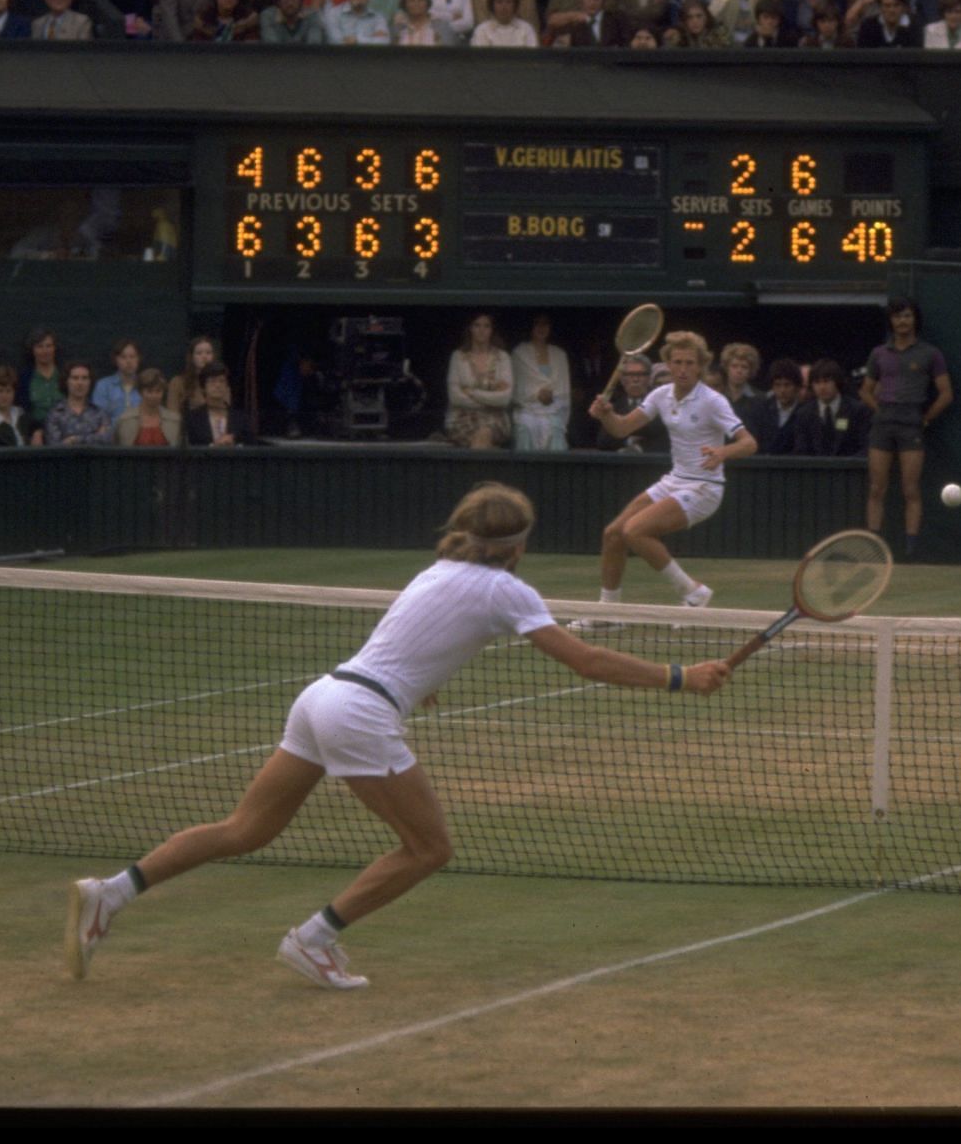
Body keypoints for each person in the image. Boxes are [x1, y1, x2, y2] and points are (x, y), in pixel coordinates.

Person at [66, 482, 732, 990]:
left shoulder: (435, 572)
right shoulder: (510, 592)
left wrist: (425, 680)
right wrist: (680, 676)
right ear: (519, 544)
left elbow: (415, 640)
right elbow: (588, 662)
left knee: (245, 828)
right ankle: (313, 939)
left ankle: (113, 892)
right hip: (360, 716)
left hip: (322, 697)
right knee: (428, 847)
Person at [585, 332, 756, 612]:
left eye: (690, 363)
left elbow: (749, 443)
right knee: (614, 533)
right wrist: (606, 414)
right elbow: (621, 428)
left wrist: (723, 452)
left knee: (635, 532)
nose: (683, 369)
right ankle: (608, 612)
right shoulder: (660, 395)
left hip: (704, 487)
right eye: (677, 362)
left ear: (700, 366)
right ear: (668, 364)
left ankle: (693, 591)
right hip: (674, 480)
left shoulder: (713, 401)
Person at [863, 298, 952, 559]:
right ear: (891, 321)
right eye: (898, 316)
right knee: (877, 488)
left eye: (907, 316)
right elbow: (866, 391)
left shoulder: (930, 354)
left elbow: (946, 393)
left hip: (911, 423)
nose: (902, 321)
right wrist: (880, 411)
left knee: (910, 489)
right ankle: (874, 547)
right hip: (883, 425)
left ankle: (910, 549)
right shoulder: (879, 354)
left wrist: (925, 418)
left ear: (915, 320)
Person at [444, 313, 513, 449]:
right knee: (482, 438)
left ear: (492, 330)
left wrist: (471, 392)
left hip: (496, 418)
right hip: (461, 418)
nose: (482, 330)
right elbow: (455, 398)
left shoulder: (502, 357)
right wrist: (491, 399)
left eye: (486, 326)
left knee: (484, 432)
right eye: (477, 325)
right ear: (470, 328)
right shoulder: (458, 356)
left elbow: (505, 399)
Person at [510, 313, 571, 451]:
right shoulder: (519, 353)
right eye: (537, 323)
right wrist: (536, 395)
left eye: (545, 324)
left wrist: (551, 396)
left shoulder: (560, 355)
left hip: (554, 409)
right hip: (526, 409)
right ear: (531, 326)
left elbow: (564, 390)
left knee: (555, 427)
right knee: (525, 426)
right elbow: (515, 389)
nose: (541, 328)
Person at [791, 360, 870, 457]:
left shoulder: (857, 410)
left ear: (837, 382)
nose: (822, 387)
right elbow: (801, 451)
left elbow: (865, 447)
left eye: (827, 381)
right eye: (817, 382)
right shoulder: (803, 414)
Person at [739, 358, 805, 455]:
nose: (782, 390)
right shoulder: (760, 408)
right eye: (777, 385)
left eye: (787, 385)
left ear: (797, 387)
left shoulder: (805, 412)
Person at [46, 360, 113, 446]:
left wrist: (74, 440)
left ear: (90, 382)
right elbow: (54, 447)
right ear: (66, 381)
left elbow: (106, 440)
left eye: (84, 378)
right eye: (75, 378)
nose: (80, 383)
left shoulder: (100, 413)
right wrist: (95, 437)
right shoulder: (55, 413)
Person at [184, 360, 250, 446]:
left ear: (227, 386)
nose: (218, 385)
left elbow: (249, 445)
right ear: (203, 388)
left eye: (222, 381)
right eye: (212, 381)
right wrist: (213, 446)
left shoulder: (241, 418)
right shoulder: (192, 418)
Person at [114, 367, 182, 446]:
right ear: (140, 392)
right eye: (149, 391)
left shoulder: (175, 420)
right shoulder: (125, 419)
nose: (154, 396)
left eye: (158, 391)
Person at [0, 365, 40, 446]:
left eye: (8, 391)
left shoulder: (20, 413)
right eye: (0, 391)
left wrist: (38, 432)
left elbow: (37, 425)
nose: (4, 396)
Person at [260, 0, 327, 43]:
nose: (290, 3)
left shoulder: (312, 16)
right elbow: (272, 46)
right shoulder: (268, 16)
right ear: (278, 0)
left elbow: (314, 45)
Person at [92, 338, 142, 421]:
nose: (129, 361)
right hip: (112, 432)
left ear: (138, 359)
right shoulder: (103, 386)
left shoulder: (145, 385)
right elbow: (98, 418)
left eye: (132, 357)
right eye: (123, 357)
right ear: (116, 360)